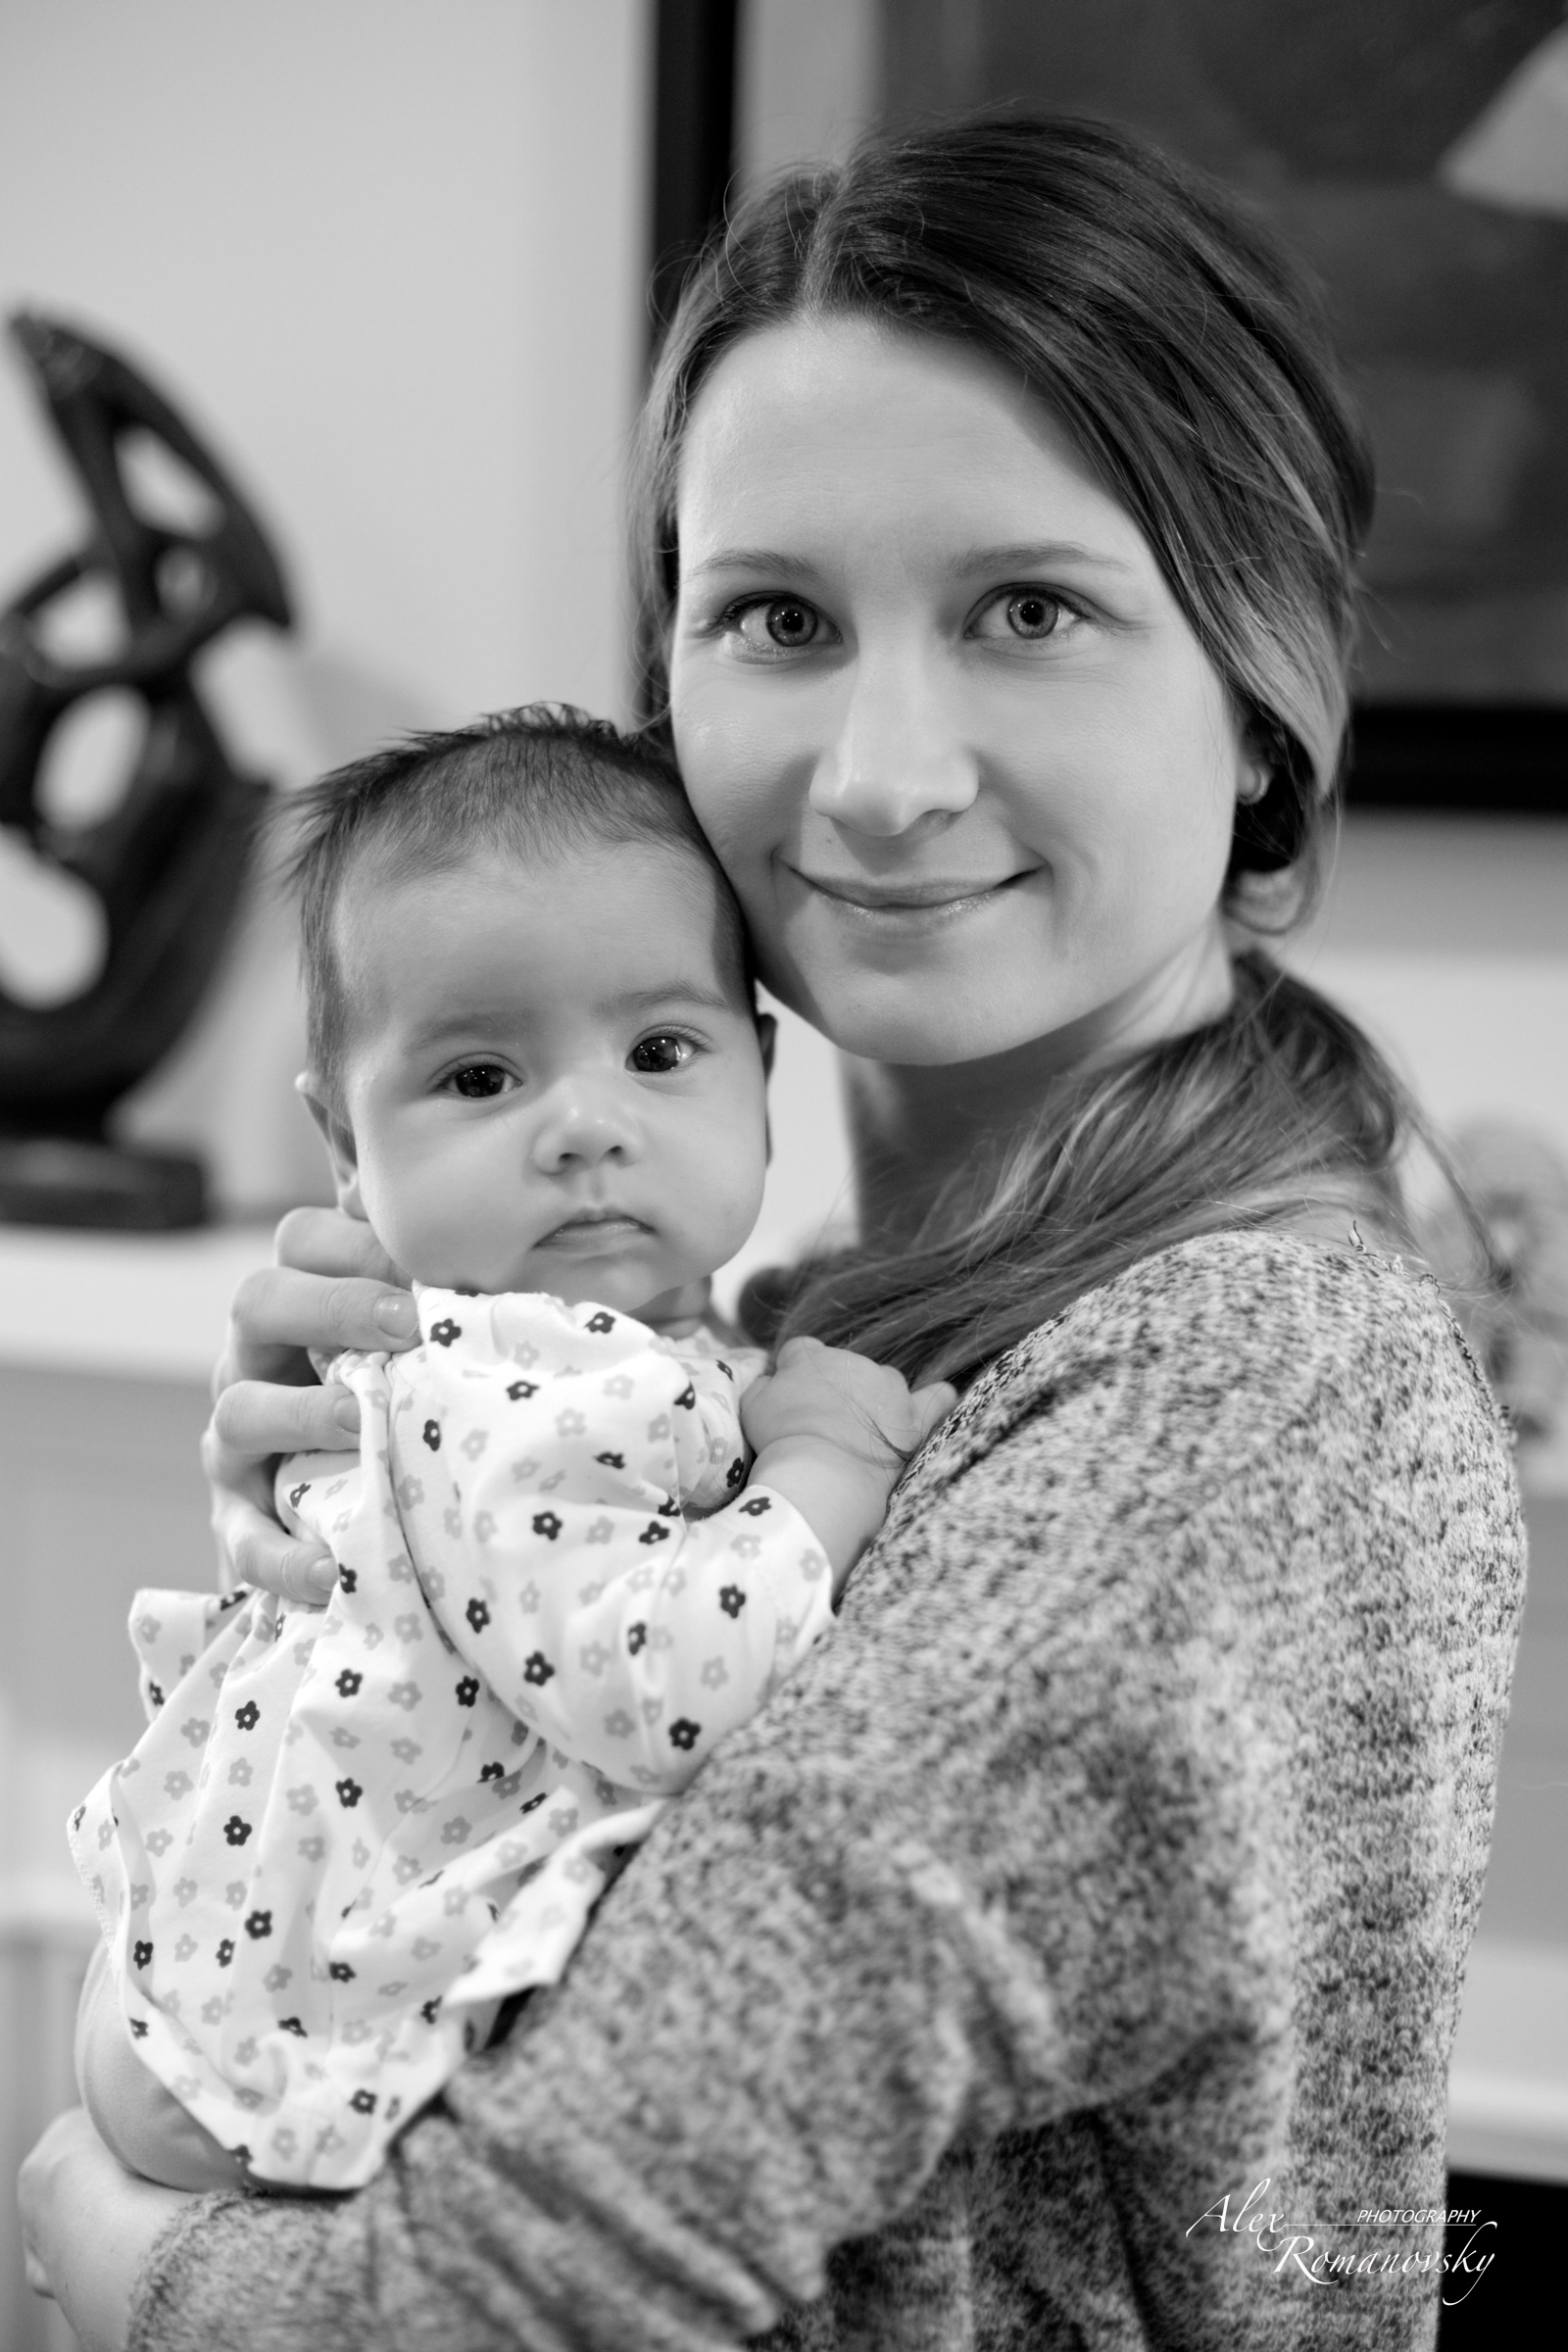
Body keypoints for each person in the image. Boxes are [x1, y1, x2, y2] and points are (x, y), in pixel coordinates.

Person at [22, 113, 1524, 2351]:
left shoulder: (1235, 1401)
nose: (881, 777)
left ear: (1259, 692)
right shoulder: (825, 1321)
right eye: (778, 619)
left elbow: (471, 2307)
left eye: (1028, 611)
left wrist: (102, 2237)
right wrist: (387, 1548)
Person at [69, 708, 951, 2194]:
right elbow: (670, 1689)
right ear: (345, 1149)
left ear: (757, 1072)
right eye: (480, 1078)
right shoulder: (506, 1385)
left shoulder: (628, 1353)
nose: (585, 1127)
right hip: (299, 2040)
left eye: (659, 1050)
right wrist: (829, 1470)